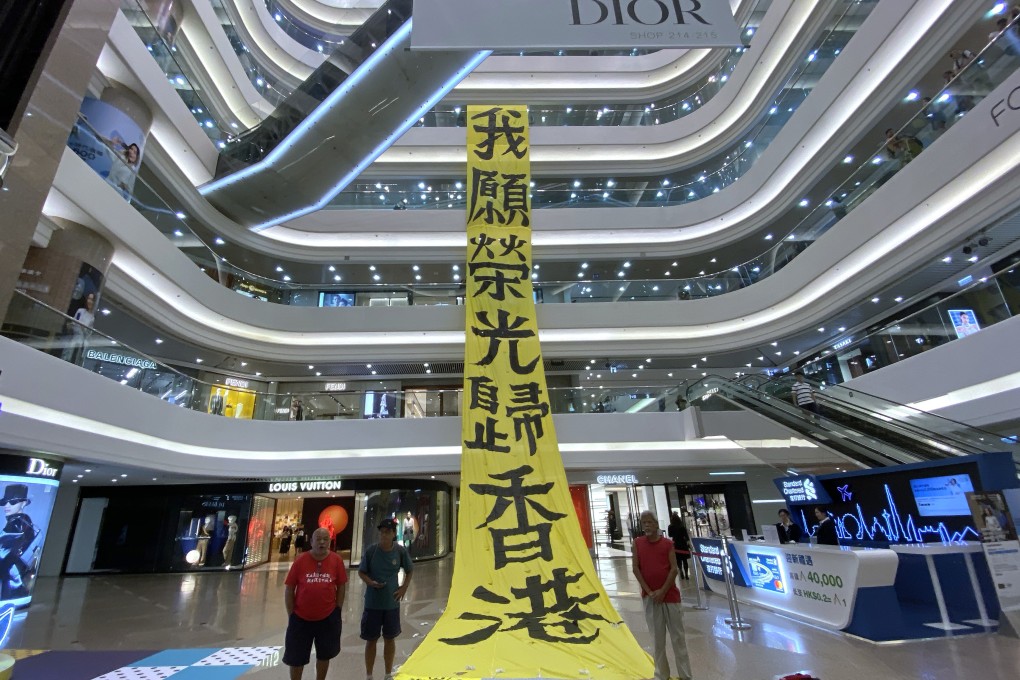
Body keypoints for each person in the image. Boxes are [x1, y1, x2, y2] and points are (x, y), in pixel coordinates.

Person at [632, 511, 692, 680]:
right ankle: (661, 675)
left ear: (656, 524)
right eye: (644, 523)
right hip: (650, 598)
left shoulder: (667, 544)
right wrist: (650, 592)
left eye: (650, 522)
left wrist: (663, 590)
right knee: (657, 640)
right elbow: (636, 568)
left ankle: (686, 675)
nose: (647, 525)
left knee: (678, 639)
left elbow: (673, 569)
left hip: (670, 597)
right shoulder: (637, 543)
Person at [283, 528, 347, 680]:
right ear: (311, 541)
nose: (322, 542)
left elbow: (341, 586)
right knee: (296, 658)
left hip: (328, 618)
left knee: (324, 655)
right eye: (318, 539)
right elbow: (290, 587)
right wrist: (291, 614)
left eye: (325, 539)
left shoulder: (336, 560)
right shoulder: (301, 560)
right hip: (300, 618)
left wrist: (337, 609)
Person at [360, 518, 413, 680]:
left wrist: (403, 588)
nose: (384, 535)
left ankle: (388, 673)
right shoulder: (371, 551)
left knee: (390, 638)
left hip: (391, 604)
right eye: (382, 532)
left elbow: (410, 569)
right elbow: (362, 572)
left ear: (393, 534)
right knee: (371, 640)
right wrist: (370, 583)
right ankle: (369, 674)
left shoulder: (400, 551)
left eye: (388, 532)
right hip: (372, 603)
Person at [0, 484, 38, 601]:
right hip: (14, 571)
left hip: (10, 573)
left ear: (24, 503)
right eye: (5, 502)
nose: (7, 506)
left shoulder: (16, 522)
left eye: (13, 502)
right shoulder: (22, 521)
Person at [61, 292, 96, 363]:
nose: (89, 301)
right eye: (88, 299)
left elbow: (88, 333)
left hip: (80, 340)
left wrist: (83, 329)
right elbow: (75, 321)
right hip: (73, 336)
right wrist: (70, 324)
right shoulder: (80, 311)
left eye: (91, 300)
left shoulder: (91, 317)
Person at [666, 511, 691, 580]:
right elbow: (686, 536)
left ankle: (680, 570)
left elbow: (670, 535)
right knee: (685, 560)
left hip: (675, 544)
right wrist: (688, 543)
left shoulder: (670, 526)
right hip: (683, 543)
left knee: (678, 560)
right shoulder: (681, 526)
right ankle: (686, 574)